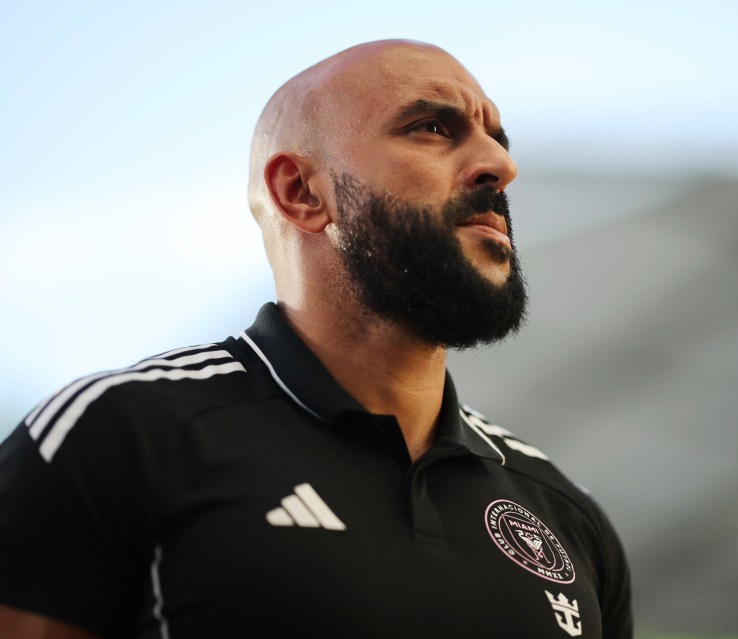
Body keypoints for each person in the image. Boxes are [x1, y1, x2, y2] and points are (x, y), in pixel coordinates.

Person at [0, 40, 632, 638]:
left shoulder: (564, 512)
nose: (501, 165)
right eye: (434, 128)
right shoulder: (118, 434)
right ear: (301, 193)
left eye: (497, 138)